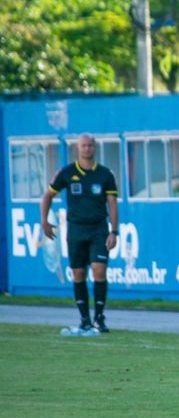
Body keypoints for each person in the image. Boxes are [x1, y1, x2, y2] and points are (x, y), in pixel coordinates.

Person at [41, 133, 119, 333]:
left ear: (95, 147)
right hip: (76, 229)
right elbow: (48, 196)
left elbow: (112, 203)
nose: (87, 149)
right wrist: (44, 221)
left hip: (99, 229)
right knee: (79, 273)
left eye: (90, 145)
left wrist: (114, 231)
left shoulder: (105, 174)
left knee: (99, 270)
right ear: (77, 148)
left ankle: (99, 318)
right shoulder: (67, 173)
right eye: (83, 145)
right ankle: (85, 319)